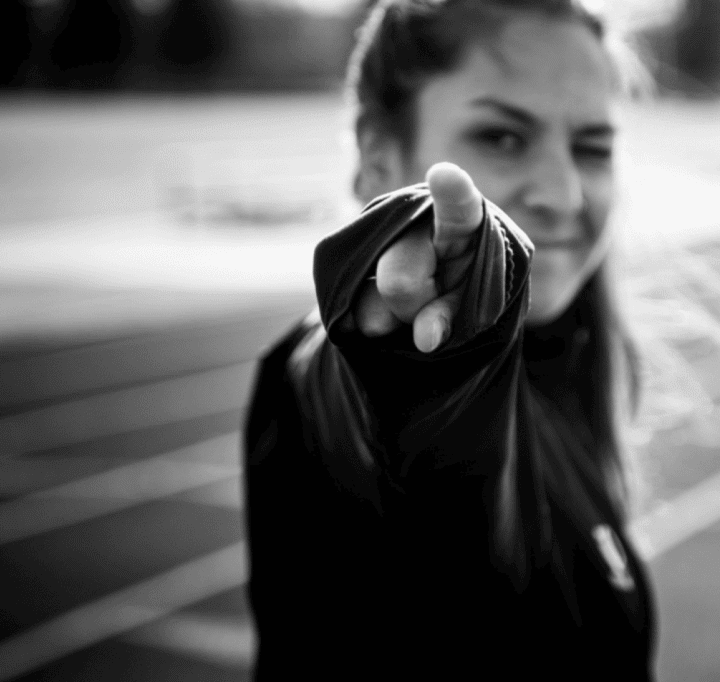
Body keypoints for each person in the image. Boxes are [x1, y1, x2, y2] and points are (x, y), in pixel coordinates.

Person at [243, 0, 656, 678]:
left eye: (592, 148)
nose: (563, 194)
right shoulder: (330, 370)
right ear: (378, 158)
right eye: (500, 136)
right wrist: (417, 361)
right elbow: (359, 397)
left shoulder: (566, 359)